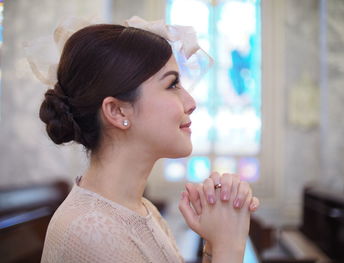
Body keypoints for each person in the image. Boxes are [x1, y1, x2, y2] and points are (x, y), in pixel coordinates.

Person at [31, 17, 260, 263]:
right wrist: (229, 245)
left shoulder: (142, 209)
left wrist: (215, 242)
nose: (191, 103)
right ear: (118, 112)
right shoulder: (91, 229)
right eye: (172, 84)